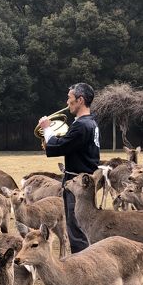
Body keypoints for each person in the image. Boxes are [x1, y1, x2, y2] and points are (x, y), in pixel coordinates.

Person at [37, 82, 100, 253]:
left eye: (70, 98)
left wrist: (47, 129)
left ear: (80, 100)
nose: (67, 102)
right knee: (80, 226)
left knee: (76, 227)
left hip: (77, 184)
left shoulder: (81, 125)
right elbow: (69, 144)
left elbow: (59, 147)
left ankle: (82, 268)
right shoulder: (90, 123)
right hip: (84, 181)